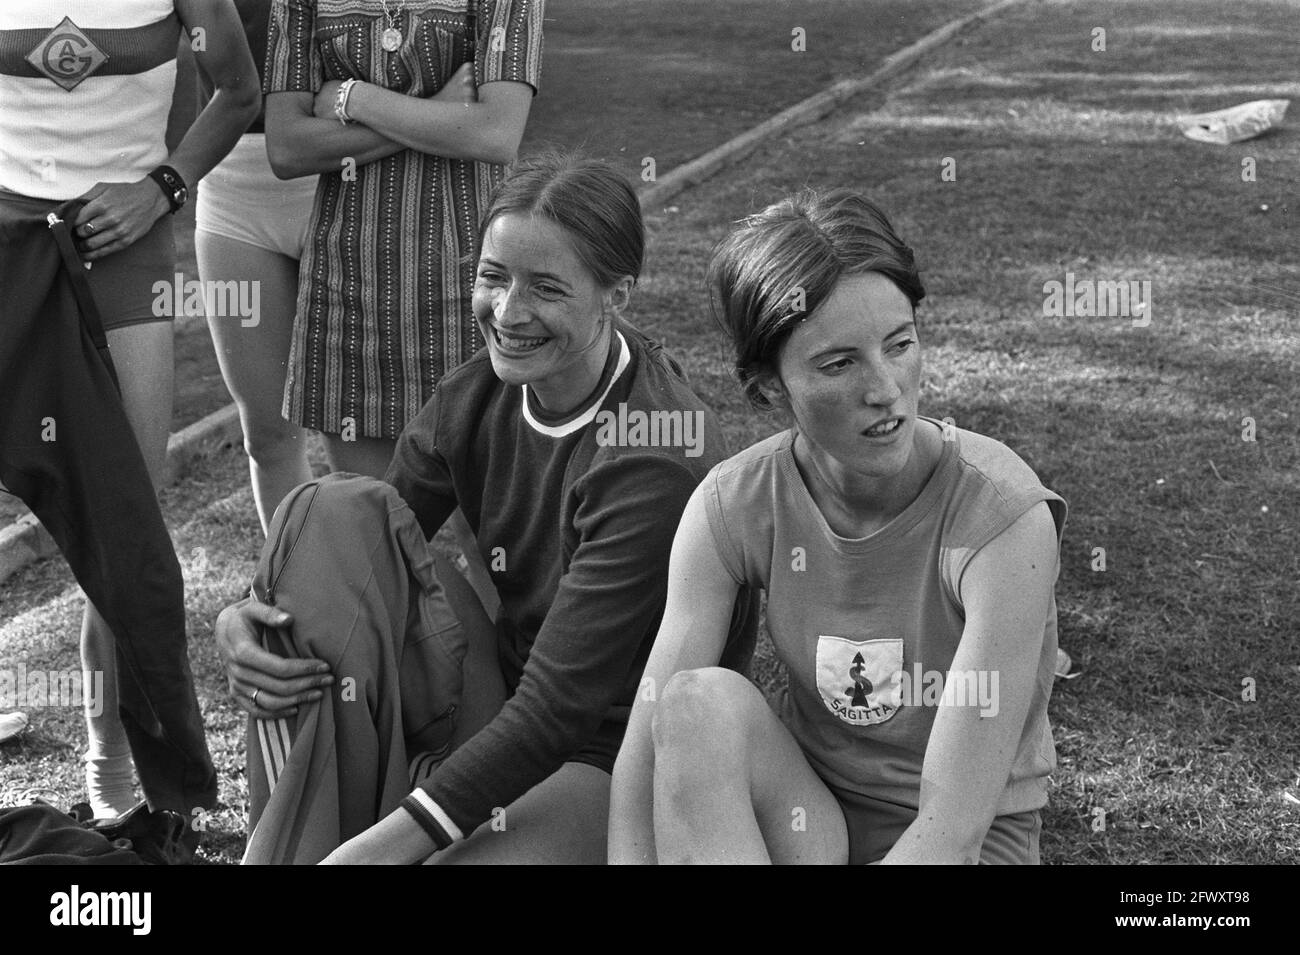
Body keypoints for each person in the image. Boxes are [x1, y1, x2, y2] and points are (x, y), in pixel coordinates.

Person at [214, 154, 758, 864]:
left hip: (615, 747)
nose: (507, 312)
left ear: (615, 293)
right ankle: (289, 849)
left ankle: (350, 837)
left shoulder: (653, 452)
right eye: (493, 276)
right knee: (333, 511)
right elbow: (364, 535)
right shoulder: (477, 393)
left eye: (546, 288)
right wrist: (247, 612)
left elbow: (556, 713)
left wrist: (380, 850)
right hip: (504, 692)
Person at [608, 189, 1067, 865]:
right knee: (694, 704)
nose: (884, 388)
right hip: (811, 822)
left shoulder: (1003, 519)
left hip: (958, 845)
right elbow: (645, 747)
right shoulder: (734, 503)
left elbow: (952, 830)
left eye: (900, 344)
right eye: (839, 362)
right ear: (769, 387)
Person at [0, 0, 260, 822]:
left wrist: (162, 187)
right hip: (4, 239)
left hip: (123, 243)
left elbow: (239, 92)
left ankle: (110, 749)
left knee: (128, 524)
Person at [262, 0, 543, 606]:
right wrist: (436, 111)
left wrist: (353, 100)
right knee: (374, 535)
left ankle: (520, 700)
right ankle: (397, 698)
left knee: (491, 543)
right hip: (351, 288)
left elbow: (494, 133)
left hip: (470, 286)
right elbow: (286, 147)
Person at [194, 0, 319, 534]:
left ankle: (404, 600)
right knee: (268, 434)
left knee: (372, 431)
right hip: (232, 190)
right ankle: (302, 598)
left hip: (346, 176)